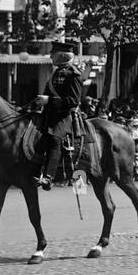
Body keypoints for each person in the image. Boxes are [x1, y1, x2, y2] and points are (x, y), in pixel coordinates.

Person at [36, 41, 86, 189]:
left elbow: (73, 101)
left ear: (62, 56)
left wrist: (49, 100)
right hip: (50, 114)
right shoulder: (56, 72)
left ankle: (48, 177)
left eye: (53, 53)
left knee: (54, 138)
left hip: (65, 116)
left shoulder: (73, 74)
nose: (51, 55)